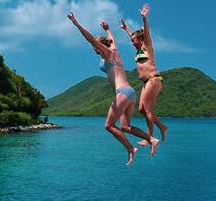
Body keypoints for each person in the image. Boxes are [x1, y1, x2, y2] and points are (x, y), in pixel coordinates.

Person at [67, 12, 159, 165]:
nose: (93, 48)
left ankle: (131, 149)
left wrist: (76, 24)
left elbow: (90, 38)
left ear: (100, 46)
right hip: (130, 93)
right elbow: (112, 40)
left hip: (122, 92)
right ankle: (151, 139)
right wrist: (107, 29)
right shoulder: (114, 50)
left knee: (109, 125)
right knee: (125, 126)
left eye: (94, 46)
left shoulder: (107, 53)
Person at [120, 4, 167, 146]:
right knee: (141, 109)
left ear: (140, 40)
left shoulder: (147, 47)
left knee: (146, 109)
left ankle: (149, 138)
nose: (131, 42)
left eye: (133, 40)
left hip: (153, 79)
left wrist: (144, 18)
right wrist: (127, 29)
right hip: (146, 83)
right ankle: (163, 127)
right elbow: (133, 37)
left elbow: (146, 34)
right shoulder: (138, 50)